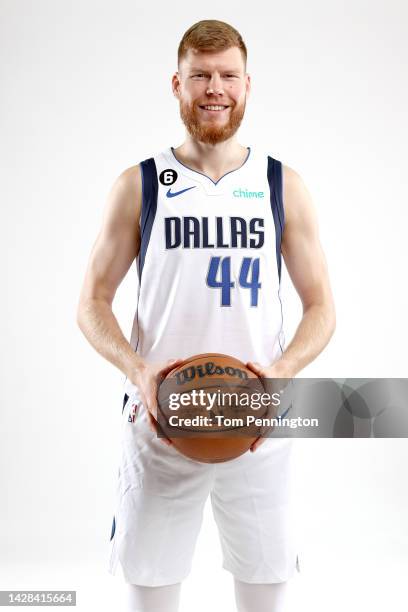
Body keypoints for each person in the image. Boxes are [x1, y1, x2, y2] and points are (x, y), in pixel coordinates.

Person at [77, 19, 336, 612]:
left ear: (247, 86)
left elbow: (322, 308)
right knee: (150, 597)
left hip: (260, 425)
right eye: (200, 76)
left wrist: (282, 371)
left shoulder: (280, 184)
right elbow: (91, 301)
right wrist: (137, 368)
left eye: (227, 76)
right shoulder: (141, 185)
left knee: (265, 597)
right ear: (177, 83)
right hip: (159, 417)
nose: (214, 88)